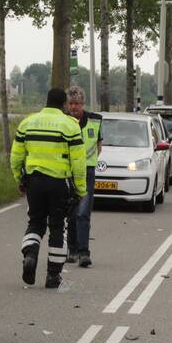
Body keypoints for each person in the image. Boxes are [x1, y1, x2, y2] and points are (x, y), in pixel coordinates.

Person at [10, 88, 87, 289]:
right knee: (57, 226)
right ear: (64, 104)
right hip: (58, 183)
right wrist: (80, 190)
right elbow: (78, 163)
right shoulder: (70, 126)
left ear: (46, 101)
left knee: (35, 222)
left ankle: (30, 254)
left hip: (34, 181)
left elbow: (16, 156)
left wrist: (20, 179)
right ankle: (53, 275)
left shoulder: (28, 122)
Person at [64, 85, 103, 268]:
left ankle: (83, 252)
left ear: (83, 104)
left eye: (77, 104)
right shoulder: (62, 121)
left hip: (87, 171)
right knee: (71, 212)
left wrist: (88, 161)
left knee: (83, 212)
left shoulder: (95, 120)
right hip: (67, 171)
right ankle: (71, 249)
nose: (73, 107)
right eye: (71, 103)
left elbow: (99, 145)